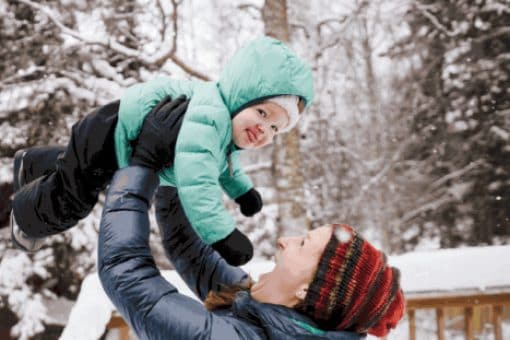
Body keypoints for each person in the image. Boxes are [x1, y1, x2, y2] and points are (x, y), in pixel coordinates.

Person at [10, 36, 314, 266]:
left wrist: (242, 192)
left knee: (79, 166)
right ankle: (24, 217)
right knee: (73, 198)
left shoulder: (227, 130)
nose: (265, 130)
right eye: (262, 114)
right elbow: (199, 184)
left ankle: (31, 164)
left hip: (113, 137)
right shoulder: (211, 117)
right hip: (109, 136)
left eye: (276, 128)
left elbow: (226, 166)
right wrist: (222, 235)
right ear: (240, 97)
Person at [97, 123, 405, 339]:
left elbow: (126, 275)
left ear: (307, 291)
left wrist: (139, 167)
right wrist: (180, 168)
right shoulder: (267, 309)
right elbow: (188, 249)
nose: (284, 241)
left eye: (302, 244)